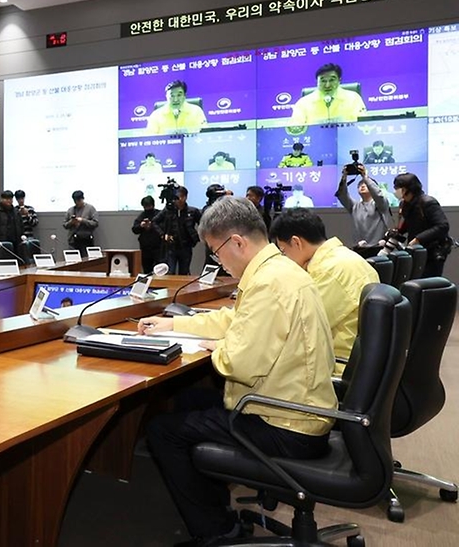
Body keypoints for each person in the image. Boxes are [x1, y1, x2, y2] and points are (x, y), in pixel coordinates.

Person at [137, 197, 337, 546]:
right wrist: (172, 327)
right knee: (187, 400)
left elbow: (238, 364)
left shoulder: (268, 283)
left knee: (162, 431)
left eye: (216, 252)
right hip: (297, 408)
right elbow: (235, 320)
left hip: (284, 422)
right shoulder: (278, 270)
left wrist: (216, 348)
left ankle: (216, 531)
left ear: (237, 243)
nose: (218, 261)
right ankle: (219, 511)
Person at [270, 208, 379, 374]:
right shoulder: (341, 258)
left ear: (297, 242)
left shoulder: (330, 271)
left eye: (283, 251)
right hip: (355, 364)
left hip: (335, 368)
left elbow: (296, 328)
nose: (284, 258)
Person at [394, 173, 452, 277]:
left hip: (433, 252)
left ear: (407, 189)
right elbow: (410, 222)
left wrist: (418, 239)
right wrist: (398, 232)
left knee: (429, 283)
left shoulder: (428, 202)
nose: (396, 191)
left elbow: (442, 226)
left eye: (398, 188)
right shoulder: (405, 204)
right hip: (417, 252)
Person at [290, 63, 367, 125]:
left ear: (339, 80)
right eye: (323, 81)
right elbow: (296, 128)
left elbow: (363, 123)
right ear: (316, 81)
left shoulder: (353, 98)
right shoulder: (303, 103)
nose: (327, 85)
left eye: (332, 80)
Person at [335, 163, 391, 246]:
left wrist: (365, 177)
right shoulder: (355, 206)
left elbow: (378, 195)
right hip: (359, 247)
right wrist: (344, 177)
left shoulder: (380, 204)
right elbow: (342, 195)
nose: (362, 186)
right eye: (360, 185)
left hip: (378, 247)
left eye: (365, 184)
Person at [151, 186, 200, 274]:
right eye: (175, 197)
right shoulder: (168, 210)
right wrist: (162, 234)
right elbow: (154, 221)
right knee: (170, 271)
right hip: (171, 246)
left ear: (185, 197)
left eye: (179, 197)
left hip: (186, 246)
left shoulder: (193, 211)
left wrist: (197, 236)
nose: (177, 200)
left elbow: (203, 224)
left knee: (184, 271)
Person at [131, 195, 162, 273]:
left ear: (153, 205)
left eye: (149, 206)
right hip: (145, 248)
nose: (147, 208)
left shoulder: (159, 215)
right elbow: (134, 229)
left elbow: (165, 227)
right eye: (145, 206)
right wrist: (141, 226)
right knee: (147, 270)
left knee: (159, 270)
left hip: (158, 247)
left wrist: (153, 226)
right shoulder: (142, 216)